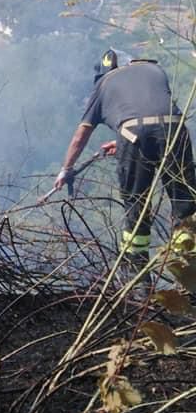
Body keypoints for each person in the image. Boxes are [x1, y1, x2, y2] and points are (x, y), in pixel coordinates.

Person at [56, 48, 196, 282]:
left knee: (137, 207)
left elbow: (82, 134)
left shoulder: (104, 84)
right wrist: (122, 142)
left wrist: (67, 169)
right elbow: (154, 117)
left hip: (134, 135)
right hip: (175, 129)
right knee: (186, 206)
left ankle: (137, 279)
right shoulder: (154, 69)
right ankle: (190, 278)